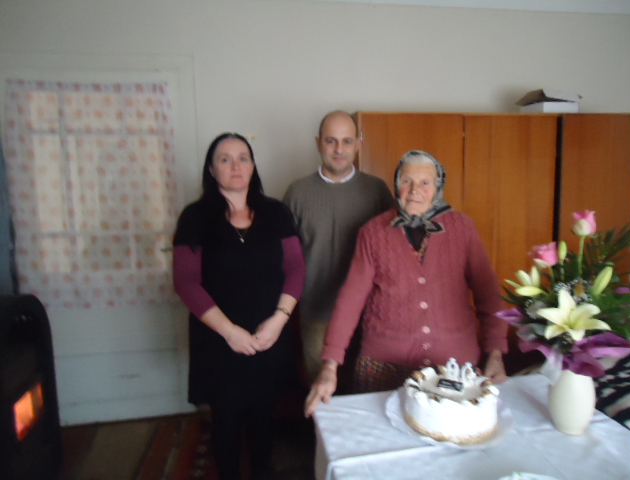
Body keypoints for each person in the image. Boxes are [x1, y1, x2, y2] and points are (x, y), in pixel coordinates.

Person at [305, 150, 508, 417]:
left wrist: (495, 353)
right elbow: (350, 301)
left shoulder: (462, 228)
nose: (415, 191)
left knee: (450, 434)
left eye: (425, 182)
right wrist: (330, 366)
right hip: (384, 366)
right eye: (407, 181)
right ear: (396, 184)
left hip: (453, 366)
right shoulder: (373, 233)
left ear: (438, 187)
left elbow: (489, 296)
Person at [172, 133, 306, 480]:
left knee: (265, 414)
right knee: (226, 418)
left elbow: (295, 268)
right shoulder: (195, 217)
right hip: (219, 339)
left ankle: (263, 471)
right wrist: (230, 332)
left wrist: (279, 320)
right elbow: (186, 282)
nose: (236, 166)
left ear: (253, 166)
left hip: (268, 335)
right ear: (211, 169)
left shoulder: (276, 213)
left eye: (243, 157)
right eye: (225, 159)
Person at [283, 110, 394, 382]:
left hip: (370, 314)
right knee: (322, 391)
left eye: (347, 141)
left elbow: (394, 251)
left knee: (367, 389)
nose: (339, 150)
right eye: (331, 141)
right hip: (317, 313)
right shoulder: (297, 193)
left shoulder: (377, 191)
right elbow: (285, 259)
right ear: (318, 143)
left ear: (359, 144)